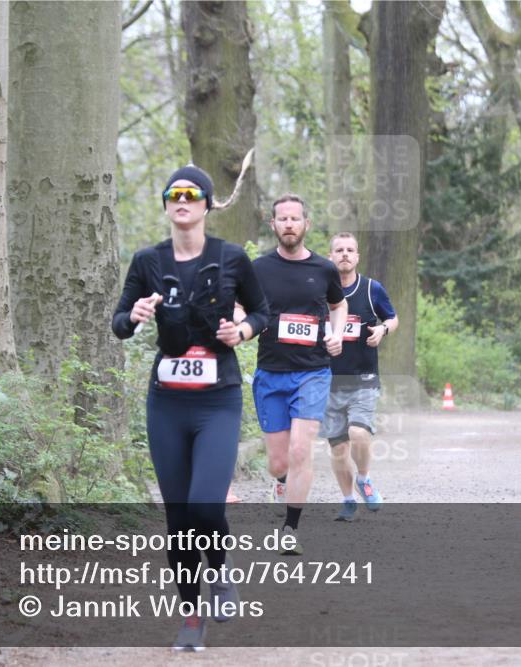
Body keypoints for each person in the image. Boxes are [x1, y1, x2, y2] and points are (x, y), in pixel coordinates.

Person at [112, 165, 269, 651]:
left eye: (191, 194)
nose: (182, 200)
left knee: (205, 505)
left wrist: (241, 331)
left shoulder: (231, 258)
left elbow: (262, 312)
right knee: (178, 520)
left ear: (207, 204)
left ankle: (218, 570)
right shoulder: (147, 261)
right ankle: (191, 617)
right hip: (167, 403)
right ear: (166, 204)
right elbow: (119, 323)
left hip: (217, 400)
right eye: (174, 194)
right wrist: (134, 314)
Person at [251, 194, 347, 555]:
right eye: (282, 219)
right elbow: (241, 306)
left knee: (300, 450)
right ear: (273, 225)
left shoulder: (324, 269)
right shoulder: (259, 268)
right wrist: (242, 323)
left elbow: (339, 305)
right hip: (270, 372)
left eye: (295, 218)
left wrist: (336, 333)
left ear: (306, 224)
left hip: (312, 372)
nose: (289, 224)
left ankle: (290, 529)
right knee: (279, 462)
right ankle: (281, 480)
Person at [322, 232, 398, 521]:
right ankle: (347, 500)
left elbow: (392, 317)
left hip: (363, 379)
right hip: (327, 381)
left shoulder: (371, 289)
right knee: (339, 448)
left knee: (358, 433)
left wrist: (383, 329)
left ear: (357, 256)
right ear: (330, 256)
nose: (344, 254)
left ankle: (364, 479)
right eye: (339, 250)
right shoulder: (319, 291)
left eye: (350, 250)